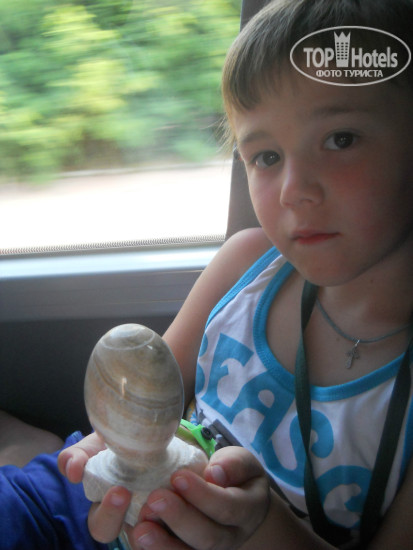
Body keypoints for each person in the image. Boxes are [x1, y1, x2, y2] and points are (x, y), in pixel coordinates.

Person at [1, 0, 413, 548]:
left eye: (341, 139)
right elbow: (146, 399)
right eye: (266, 157)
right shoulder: (247, 263)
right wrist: (106, 448)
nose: (293, 190)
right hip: (82, 508)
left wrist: (257, 528)